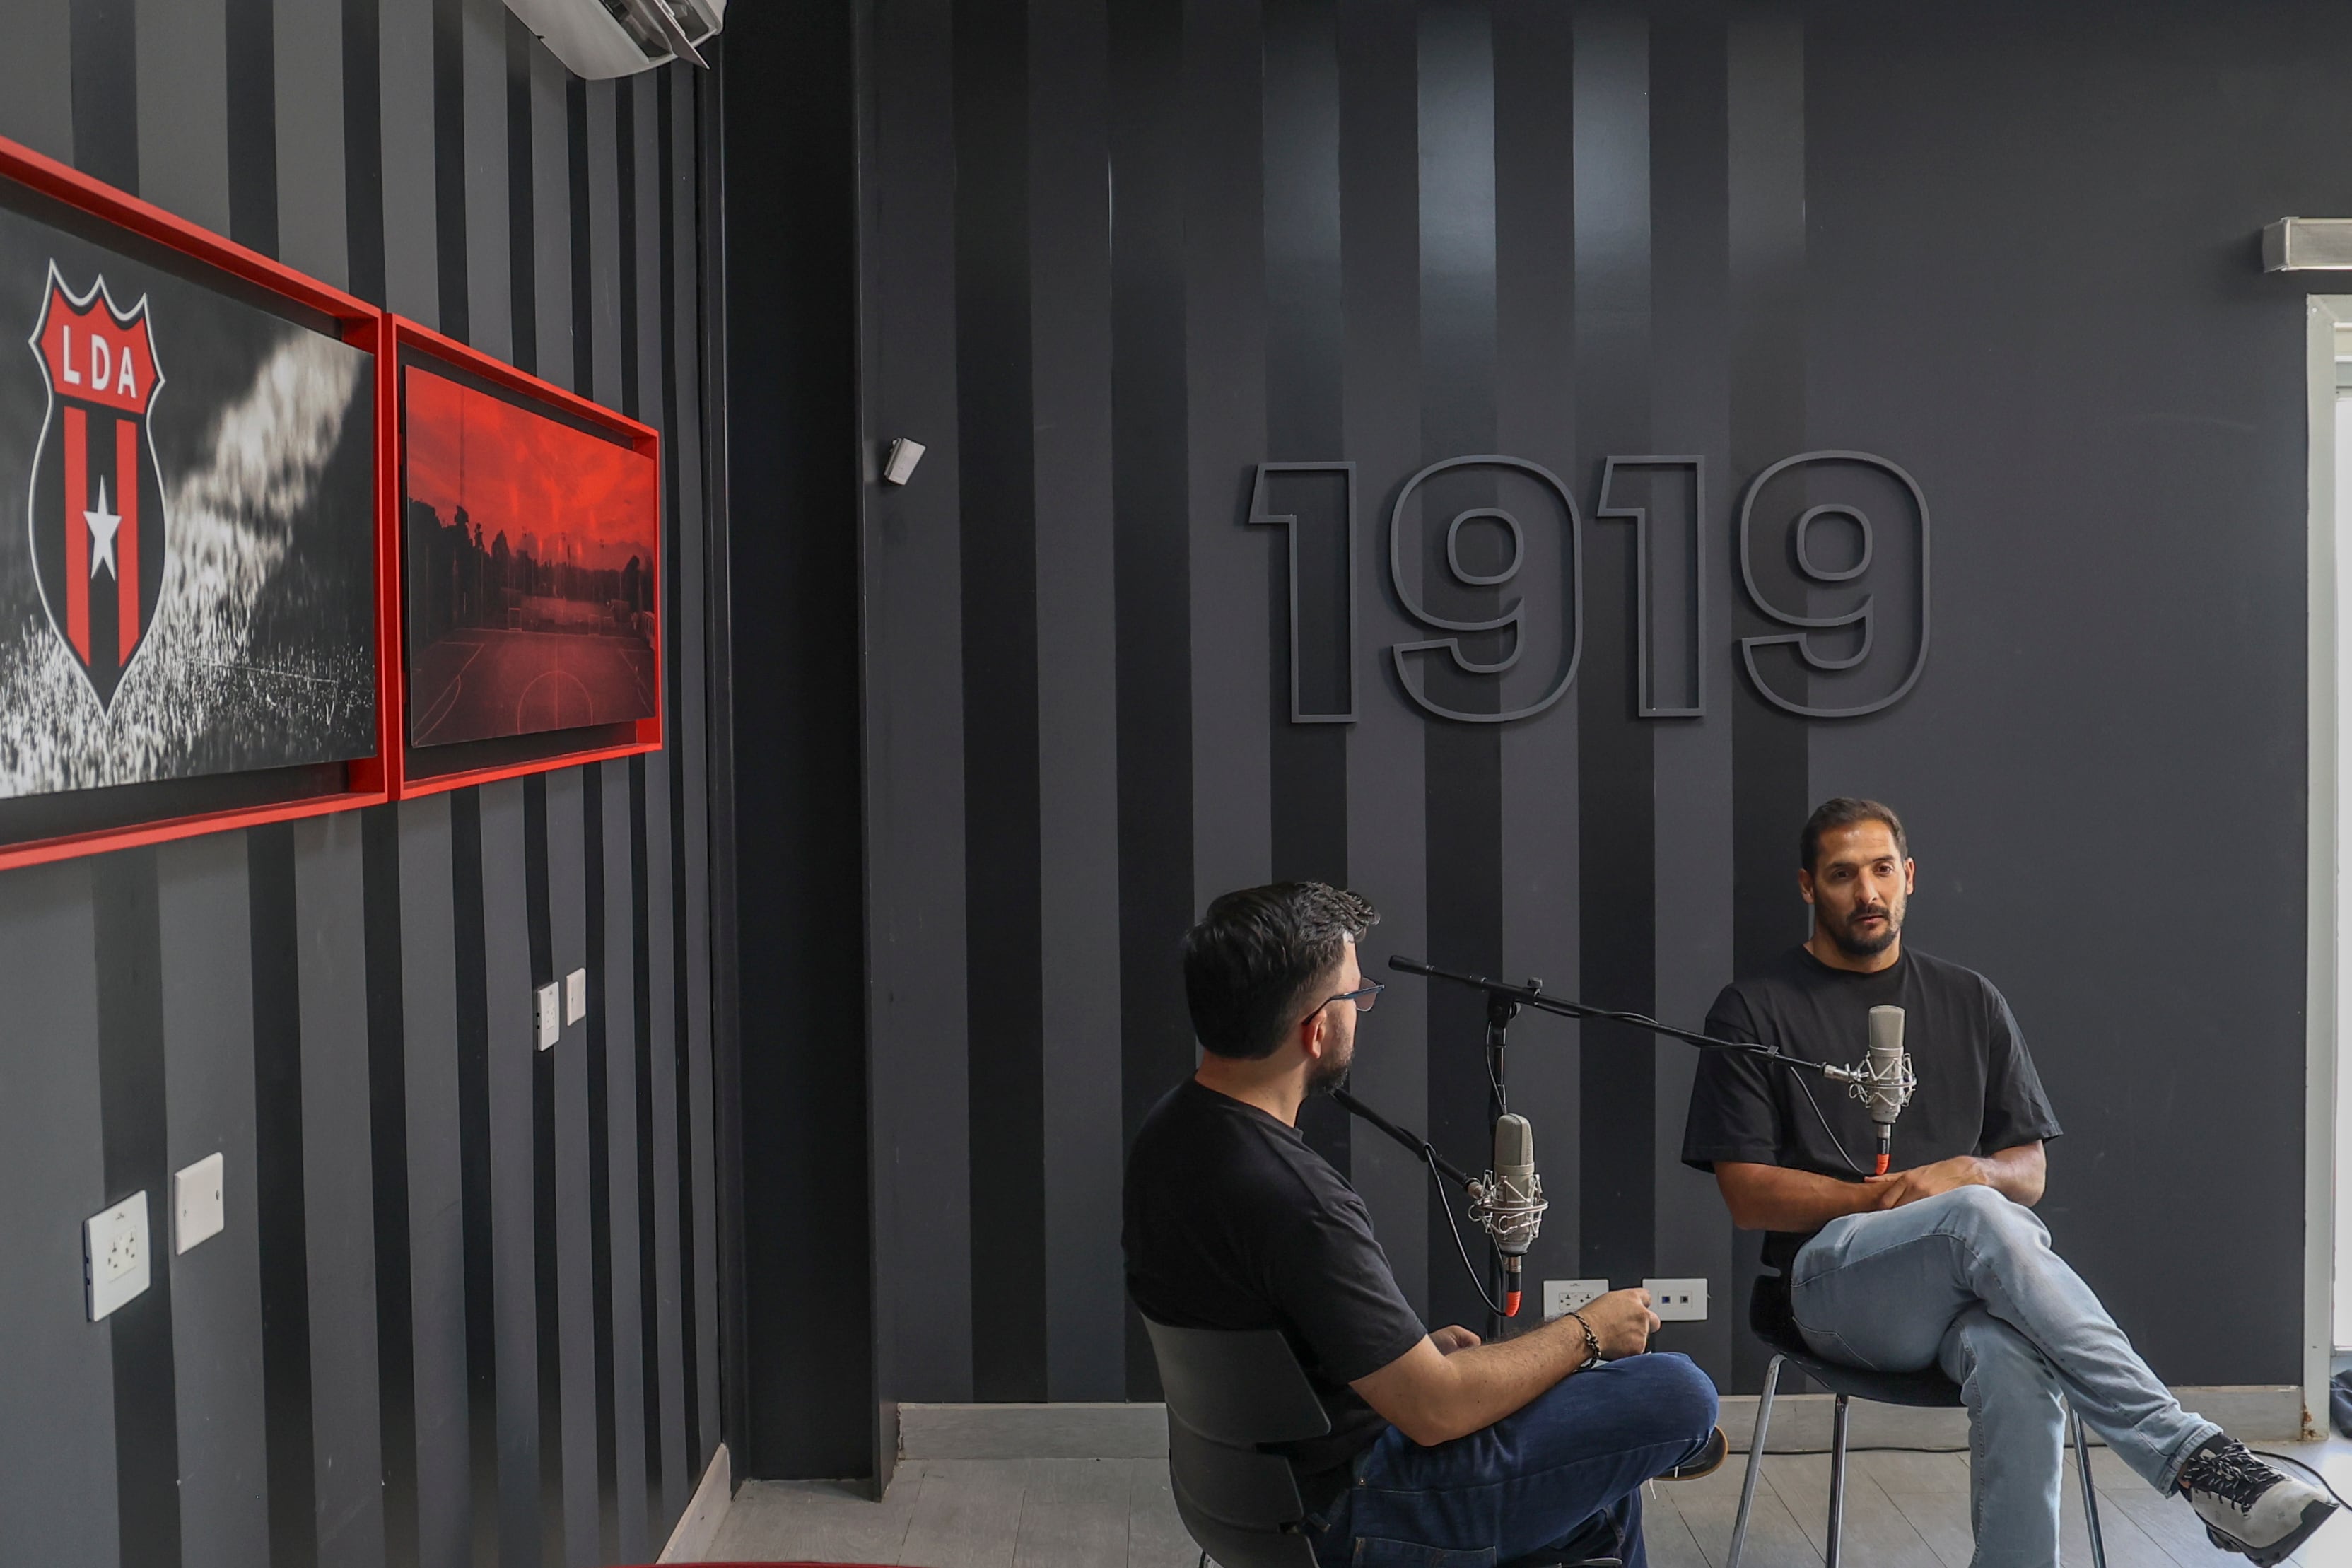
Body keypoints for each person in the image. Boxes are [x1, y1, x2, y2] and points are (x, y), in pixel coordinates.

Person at [1682, 798, 2336, 1568]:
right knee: (1973, 1217)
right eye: (1843, 874)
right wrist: (1892, 1196)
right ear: (1807, 887)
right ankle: (2197, 1460)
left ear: (1910, 876)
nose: (1868, 892)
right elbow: (1747, 1192)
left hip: (1966, 1290)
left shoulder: (1969, 999)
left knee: (2012, 1358)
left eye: (1883, 869)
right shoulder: (1754, 1008)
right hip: (1831, 1288)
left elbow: (2028, 1167)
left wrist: (1974, 1172)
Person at [1125, 882, 1723, 1568]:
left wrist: (1391, 1360)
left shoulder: (1169, 1134)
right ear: (1316, 1029)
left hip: (1240, 1493)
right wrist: (1591, 1329)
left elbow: (1260, 1326)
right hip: (1349, 1511)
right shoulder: (1297, 1197)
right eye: (1358, 995)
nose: (1364, 1009)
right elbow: (1434, 1409)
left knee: (1598, 1487)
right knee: (1678, 1391)